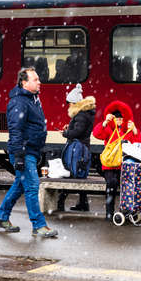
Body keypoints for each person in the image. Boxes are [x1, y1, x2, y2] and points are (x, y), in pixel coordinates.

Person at [0, 67, 58, 238]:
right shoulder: (19, 102)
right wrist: (20, 155)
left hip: (31, 150)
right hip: (24, 151)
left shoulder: (32, 99)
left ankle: (1, 217)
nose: (39, 82)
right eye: (35, 79)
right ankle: (39, 225)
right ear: (24, 83)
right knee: (32, 187)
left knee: (20, 185)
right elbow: (16, 130)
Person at [93, 100, 141, 221]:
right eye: (117, 119)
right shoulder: (108, 129)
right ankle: (109, 212)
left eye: (121, 119)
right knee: (111, 183)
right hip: (110, 165)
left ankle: (124, 211)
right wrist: (105, 122)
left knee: (126, 185)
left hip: (124, 165)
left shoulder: (129, 129)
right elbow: (96, 134)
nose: (119, 121)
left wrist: (135, 130)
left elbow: (140, 143)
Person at [57, 84, 96, 212]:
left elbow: (77, 132)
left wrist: (65, 133)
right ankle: (83, 203)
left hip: (77, 149)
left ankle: (60, 202)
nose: (69, 106)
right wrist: (69, 129)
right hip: (84, 147)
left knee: (72, 173)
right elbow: (81, 130)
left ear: (75, 103)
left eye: (70, 103)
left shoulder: (80, 115)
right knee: (80, 175)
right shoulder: (86, 113)